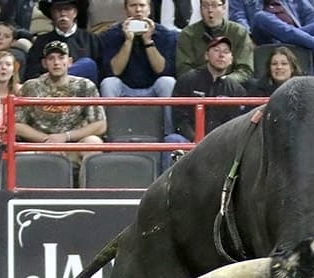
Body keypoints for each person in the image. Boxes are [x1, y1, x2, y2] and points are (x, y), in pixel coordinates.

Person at [15, 40, 107, 165]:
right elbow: (17, 125)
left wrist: (65, 137)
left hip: (75, 145)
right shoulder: (30, 87)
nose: (56, 62)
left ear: (69, 62)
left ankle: (88, 184)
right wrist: (47, 140)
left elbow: (100, 125)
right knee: (18, 155)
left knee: (93, 142)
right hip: (40, 146)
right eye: (51, 58)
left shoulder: (85, 86)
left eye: (61, 57)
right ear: (44, 63)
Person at [164, 36, 247, 170]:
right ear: (206, 56)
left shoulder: (237, 90)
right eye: (216, 50)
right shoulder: (187, 80)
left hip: (221, 144)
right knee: (173, 140)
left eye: (226, 52)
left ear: (231, 59)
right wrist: (195, 140)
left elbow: (236, 125)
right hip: (190, 141)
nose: (221, 55)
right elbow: (180, 118)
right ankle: (166, 188)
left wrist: (215, 142)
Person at [228, 0, 314, 79]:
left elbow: (310, 15)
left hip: (297, 38)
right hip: (264, 39)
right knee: (261, 17)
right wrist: (247, 37)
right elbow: (238, 18)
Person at [98, 0, 178, 100]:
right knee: (108, 83)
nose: (138, 10)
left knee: (168, 82)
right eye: (133, 5)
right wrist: (128, 41)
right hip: (124, 87)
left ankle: (169, 116)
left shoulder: (165, 34)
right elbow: (114, 71)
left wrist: (148, 41)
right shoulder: (111, 34)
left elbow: (163, 71)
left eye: (142, 5)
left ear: (149, 9)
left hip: (153, 87)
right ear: (126, 10)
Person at [176, 0, 255, 87]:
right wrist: (205, 80)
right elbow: (183, 69)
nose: (210, 10)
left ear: (224, 8)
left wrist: (223, 81)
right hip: (197, 86)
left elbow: (245, 70)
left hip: (230, 87)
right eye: (205, 6)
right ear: (200, 9)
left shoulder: (239, 33)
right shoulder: (188, 34)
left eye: (214, 5)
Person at [25, 0, 101, 82]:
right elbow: (32, 72)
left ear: (75, 13)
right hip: (49, 90)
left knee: (87, 64)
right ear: (52, 14)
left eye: (67, 9)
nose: (63, 13)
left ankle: (58, 79)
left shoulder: (91, 39)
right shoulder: (41, 41)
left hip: (82, 90)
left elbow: (101, 70)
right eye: (58, 10)